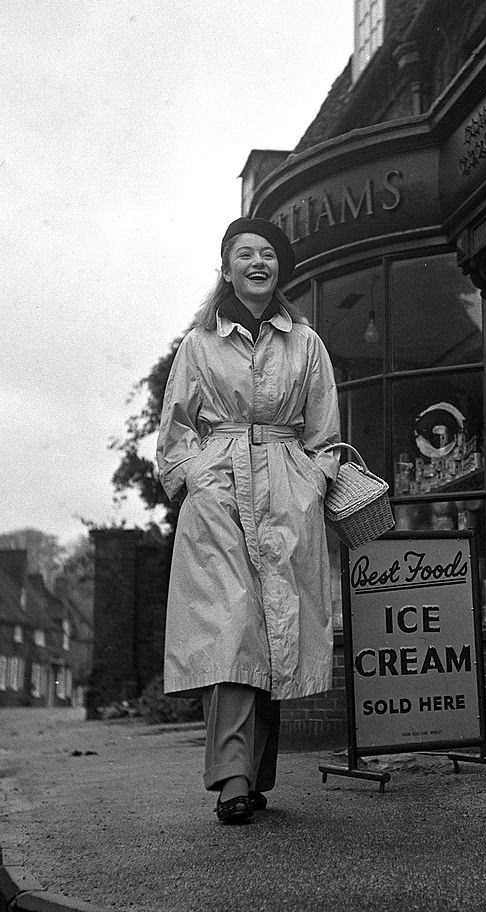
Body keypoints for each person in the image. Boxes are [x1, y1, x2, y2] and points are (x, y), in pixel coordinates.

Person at [156, 216, 340, 824]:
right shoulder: (199, 344)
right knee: (230, 629)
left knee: (274, 628)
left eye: (268, 254)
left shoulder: (305, 343)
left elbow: (325, 434)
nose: (258, 263)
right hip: (219, 489)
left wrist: (313, 482)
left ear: (279, 269)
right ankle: (234, 779)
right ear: (227, 267)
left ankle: (254, 775)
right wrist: (197, 479)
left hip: (288, 487)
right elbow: (175, 431)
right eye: (245, 254)